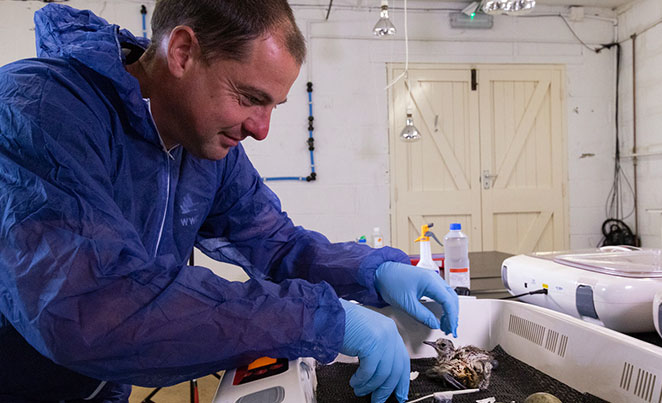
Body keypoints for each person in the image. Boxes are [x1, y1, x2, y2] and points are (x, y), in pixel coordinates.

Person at [0, 1, 459, 402]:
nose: (261, 129)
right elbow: (94, 306)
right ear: (182, 52)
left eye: (273, 106)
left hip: (102, 387)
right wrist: (322, 320)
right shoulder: (38, 109)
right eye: (250, 98)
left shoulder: (204, 148)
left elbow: (274, 243)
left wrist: (372, 271)